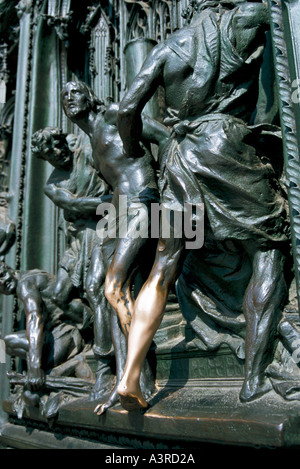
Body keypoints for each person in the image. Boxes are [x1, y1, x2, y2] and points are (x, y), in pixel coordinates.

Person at [116, 0, 290, 410]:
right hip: (224, 147)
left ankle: (130, 376)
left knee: (162, 267)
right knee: (268, 247)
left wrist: (133, 146)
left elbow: (126, 110)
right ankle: (253, 381)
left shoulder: (167, 48)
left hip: (177, 158)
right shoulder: (246, 19)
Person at [61, 80, 170, 414]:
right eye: (64, 97)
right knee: (108, 297)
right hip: (119, 213)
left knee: (113, 287)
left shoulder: (112, 115)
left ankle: (132, 378)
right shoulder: (90, 141)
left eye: (74, 92)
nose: (68, 99)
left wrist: (169, 194)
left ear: (90, 96)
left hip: (143, 202)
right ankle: (130, 380)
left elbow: (163, 137)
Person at [31, 127, 115, 401]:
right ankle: (92, 327)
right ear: (44, 157)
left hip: (101, 229)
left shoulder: (86, 152)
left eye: (58, 144)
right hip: (79, 238)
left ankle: (106, 353)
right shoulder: (51, 185)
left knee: (95, 288)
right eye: (50, 152)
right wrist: (109, 201)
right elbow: (76, 206)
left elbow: (111, 175)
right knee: (59, 295)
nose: (58, 152)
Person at [0, 261, 94, 394]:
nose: (2, 282)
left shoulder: (24, 284)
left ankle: (45, 372)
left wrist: (34, 366)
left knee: (5, 342)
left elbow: (35, 318)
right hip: (68, 332)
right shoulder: (32, 275)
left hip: (66, 336)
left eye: (2, 275)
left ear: (9, 268)